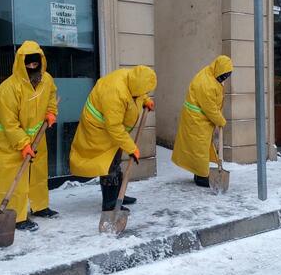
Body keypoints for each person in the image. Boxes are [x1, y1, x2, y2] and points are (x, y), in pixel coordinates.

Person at [0, 41, 58, 232]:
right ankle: (14, 215)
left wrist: (51, 112)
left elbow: (51, 96)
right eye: (29, 64)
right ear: (21, 64)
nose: (33, 68)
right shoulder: (7, 90)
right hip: (7, 141)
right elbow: (9, 124)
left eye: (36, 64)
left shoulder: (46, 79)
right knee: (9, 176)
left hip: (36, 138)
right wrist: (23, 144)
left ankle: (39, 206)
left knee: (37, 173)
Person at [70, 65, 157, 212]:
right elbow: (114, 127)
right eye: (143, 92)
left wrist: (145, 99)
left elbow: (137, 93)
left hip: (111, 129)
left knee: (115, 161)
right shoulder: (115, 93)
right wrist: (131, 148)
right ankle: (110, 204)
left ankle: (118, 195)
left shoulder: (132, 80)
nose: (144, 93)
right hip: (98, 130)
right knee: (108, 165)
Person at [171, 56, 232, 187]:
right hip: (196, 119)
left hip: (200, 118)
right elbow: (209, 108)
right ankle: (202, 177)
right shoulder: (206, 84)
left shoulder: (212, 73)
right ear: (218, 70)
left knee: (201, 147)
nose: (224, 79)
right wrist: (221, 121)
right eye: (223, 76)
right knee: (200, 148)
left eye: (226, 76)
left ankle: (199, 173)